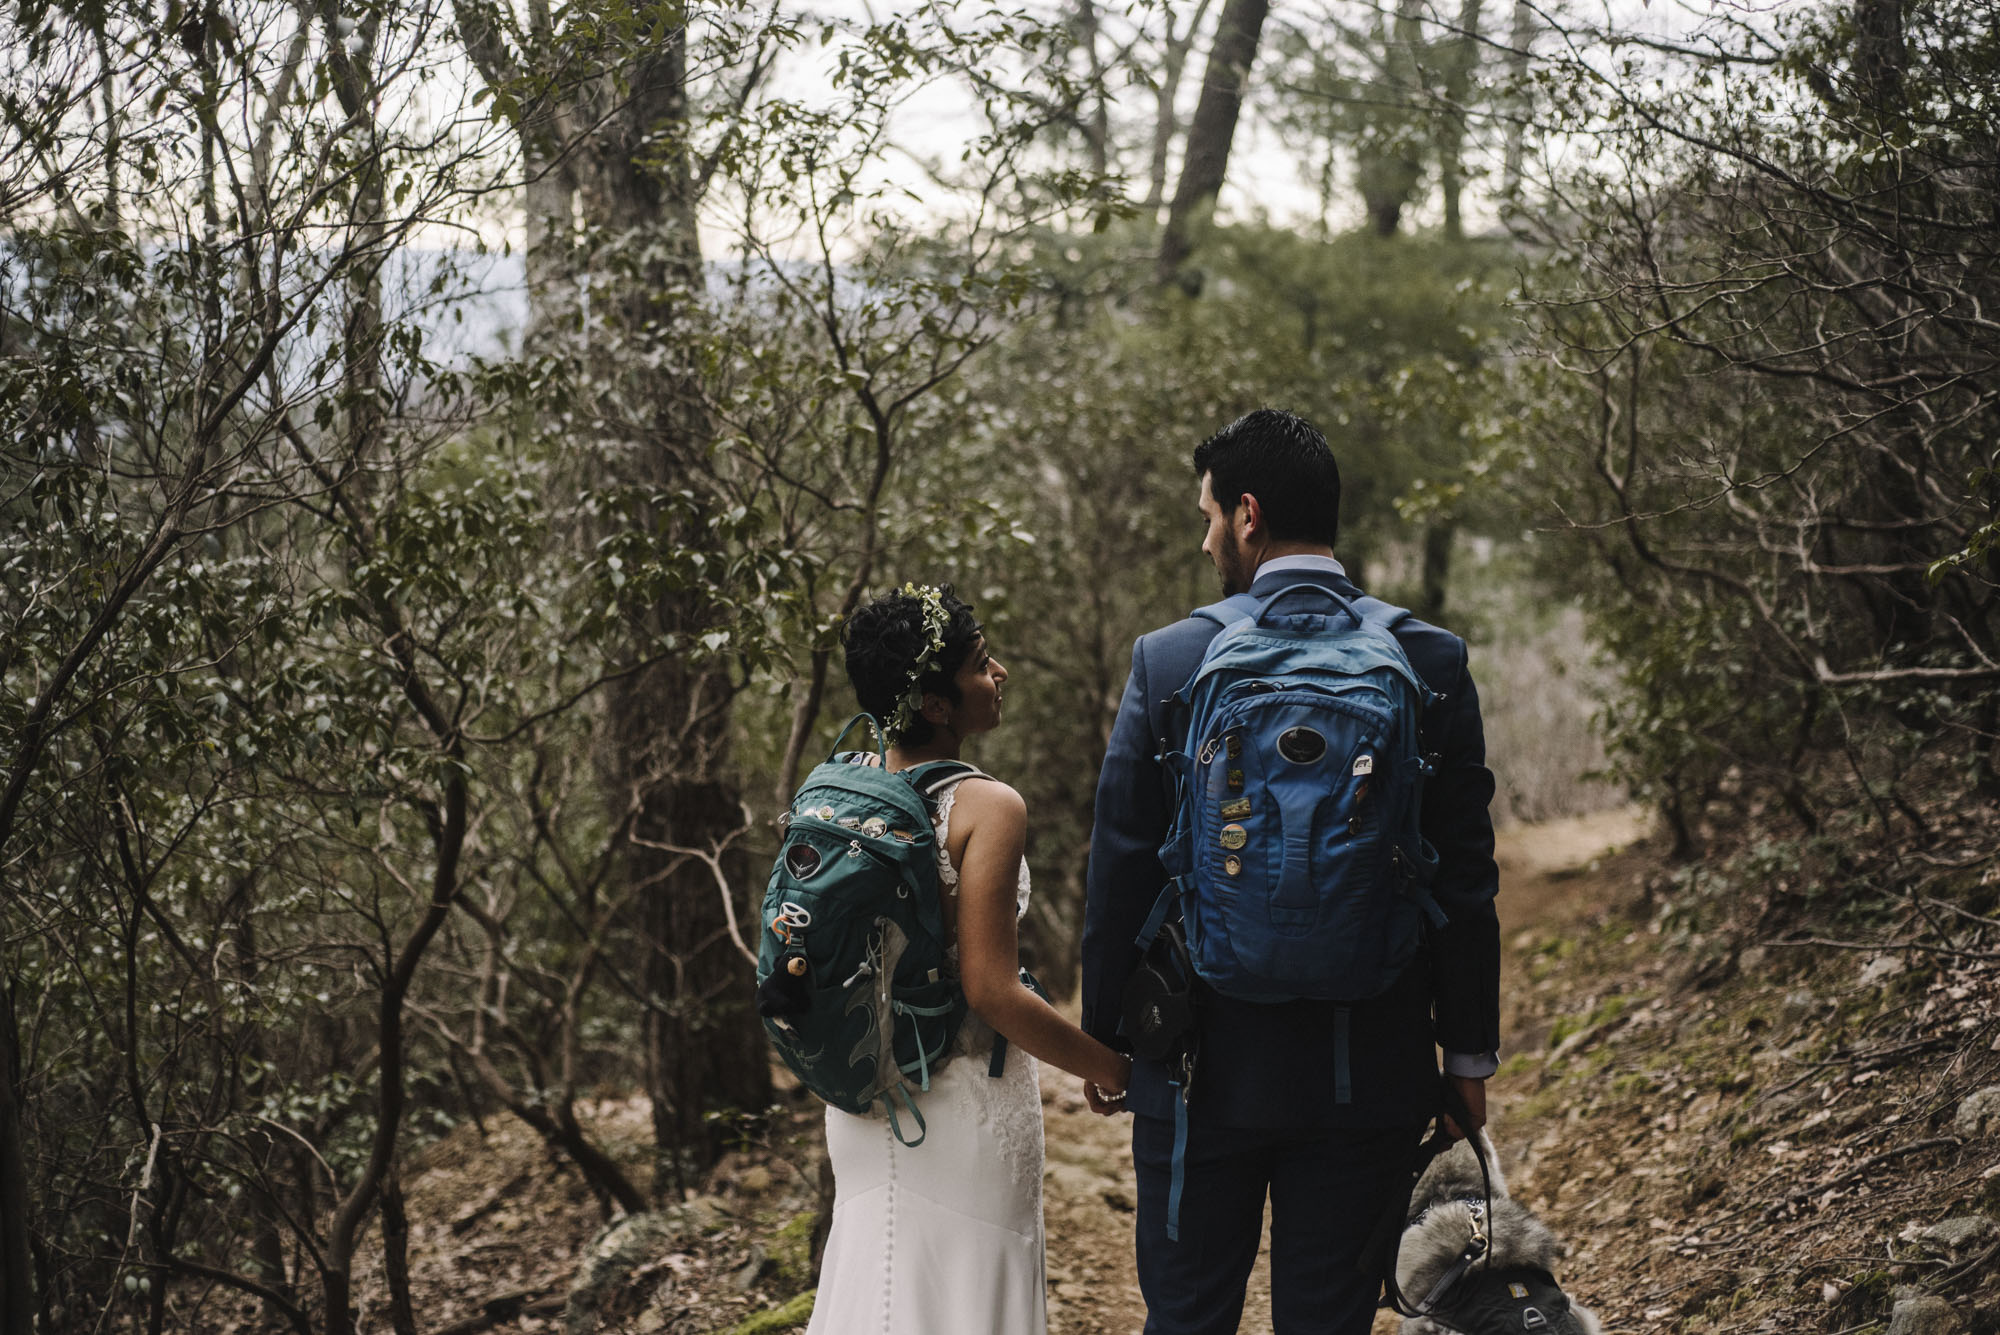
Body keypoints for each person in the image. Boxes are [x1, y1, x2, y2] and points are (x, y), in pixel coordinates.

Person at [1081, 408, 1502, 1335]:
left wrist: (1111, 1033)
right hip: (1371, 1058)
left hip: (1199, 1066)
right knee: (1327, 1318)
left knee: (1187, 1314)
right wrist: (1467, 1053)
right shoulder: (1428, 661)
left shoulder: (1170, 662)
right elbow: (1467, 878)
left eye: (1206, 516)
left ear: (1248, 515)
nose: (1204, 540)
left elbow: (1118, 864)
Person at [807, 583, 1133, 1335]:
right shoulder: (989, 806)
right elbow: (990, 989)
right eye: (982, 664)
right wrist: (1107, 1065)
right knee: (965, 1296)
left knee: (874, 1289)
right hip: (957, 1106)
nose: (1001, 673)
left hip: (861, 1099)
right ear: (934, 703)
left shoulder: (841, 794)